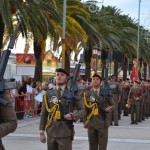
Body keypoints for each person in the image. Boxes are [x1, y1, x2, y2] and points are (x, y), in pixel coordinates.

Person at [39, 68, 85, 150]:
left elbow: (82, 110)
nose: (59, 77)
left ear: (67, 78)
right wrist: (41, 132)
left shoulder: (72, 93)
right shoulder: (48, 94)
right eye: (57, 75)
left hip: (65, 132)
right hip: (51, 131)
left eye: (62, 75)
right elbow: (44, 114)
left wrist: (73, 115)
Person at [83, 74, 115, 150]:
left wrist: (109, 108)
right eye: (93, 79)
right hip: (91, 122)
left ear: (100, 81)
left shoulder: (106, 92)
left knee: (102, 146)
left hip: (103, 122)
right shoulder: (87, 93)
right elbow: (85, 109)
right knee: (92, 146)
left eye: (97, 79)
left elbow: (113, 105)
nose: (95, 80)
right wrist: (85, 122)